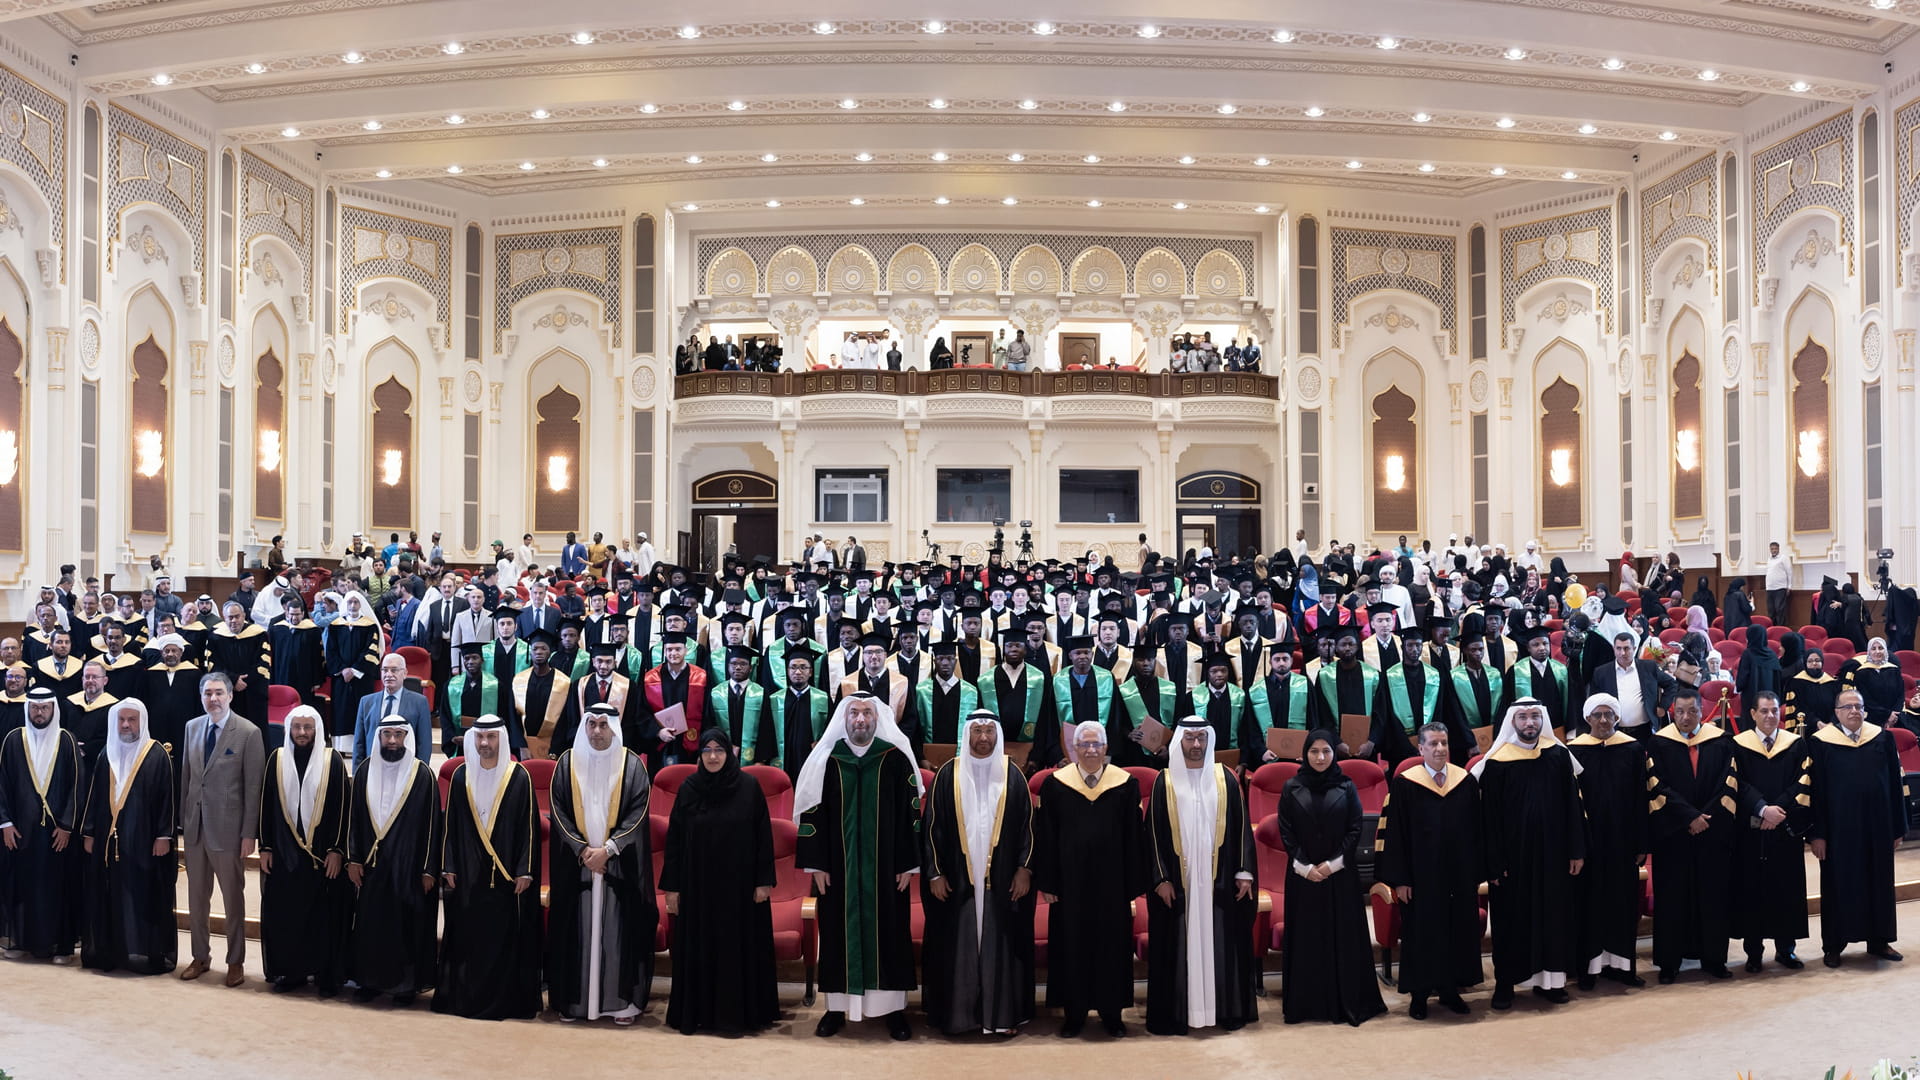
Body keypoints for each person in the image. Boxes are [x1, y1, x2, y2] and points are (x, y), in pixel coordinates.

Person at [796, 692, 922, 1039]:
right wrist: (815, 865)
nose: (861, 720)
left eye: (867, 713)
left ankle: (893, 1011)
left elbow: (911, 814)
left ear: (878, 718)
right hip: (837, 869)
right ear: (844, 719)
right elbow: (811, 813)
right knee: (837, 933)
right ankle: (837, 1009)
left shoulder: (895, 759)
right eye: (854, 713)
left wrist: (909, 863)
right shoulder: (827, 759)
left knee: (890, 934)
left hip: (887, 868)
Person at [921, 709, 1037, 1036]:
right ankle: (958, 1019)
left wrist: (1024, 869)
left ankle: (1000, 1018)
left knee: (999, 946)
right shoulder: (948, 774)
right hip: (958, 881)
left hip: (1001, 882)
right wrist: (935, 873)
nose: (983, 738)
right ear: (967, 735)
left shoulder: (1013, 775)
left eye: (989, 731)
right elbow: (932, 829)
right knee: (959, 948)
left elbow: (1029, 828)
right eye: (977, 731)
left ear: (997, 735)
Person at [1034, 721, 1148, 1037]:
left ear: (1106, 748)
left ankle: (1111, 1012)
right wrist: (1049, 882)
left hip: (1112, 884)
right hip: (1069, 884)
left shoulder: (1125, 784)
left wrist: (1132, 883)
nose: (1090, 750)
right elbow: (1046, 838)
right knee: (1071, 944)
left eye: (1096, 744)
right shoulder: (1056, 785)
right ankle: (1074, 1013)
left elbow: (1133, 839)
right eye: (1084, 744)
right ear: (1074, 749)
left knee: (1112, 945)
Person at [1145, 718, 1258, 1035]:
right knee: (1179, 944)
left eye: (1201, 739)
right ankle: (1180, 1014)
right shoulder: (1164, 781)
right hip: (1178, 883)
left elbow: (1241, 828)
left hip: (1219, 878)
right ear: (1179, 741)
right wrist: (1161, 878)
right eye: (1189, 739)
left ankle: (1223, 1010)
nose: (1195, 745)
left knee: (1222, 941)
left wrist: (1244, 871)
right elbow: (1152, 835)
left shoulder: (1225, 779)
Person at [662, 727, 779, 1035]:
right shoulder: (689, 788)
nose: (713, 756)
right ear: (699, 754)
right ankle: (699, 1014)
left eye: (719, 750)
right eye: (707, 750)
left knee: (736, 950)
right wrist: (671, 888)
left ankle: (737, 1016)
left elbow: (763, 839)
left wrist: (763, 882)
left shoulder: (749, 787)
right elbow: (673, 841)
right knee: (699, 949)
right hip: (697, 889)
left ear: (729, 754)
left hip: (740, 891)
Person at [548, 703, 655, 1024]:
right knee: (576, 933)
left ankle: (620, 1004)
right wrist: (583, 850)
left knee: (616, 933)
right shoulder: (567, 763)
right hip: (577, 865)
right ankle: (575, 1002)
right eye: (591, 724)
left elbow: (638, 811)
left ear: (614, 728)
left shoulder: (632, 765)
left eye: (603, 725)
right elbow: (558, 810)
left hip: (617, 866)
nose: (596, 731)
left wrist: (608, 849)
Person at [1475, 699, 1585, 1008]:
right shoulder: (1497, 763)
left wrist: (1576, 850)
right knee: (1512, 921)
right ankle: (1506, 984)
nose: (1529, 723)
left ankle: (1551, 983)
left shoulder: (1559, 757)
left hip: (1554, 855)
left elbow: (1574, 809)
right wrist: (1494, 863)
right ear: (1513, 722)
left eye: (1535, 716)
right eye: (1523, 717)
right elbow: (1489, 819)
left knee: (1554, 918)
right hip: (1513, 861)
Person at [434, 715, 542, 1019]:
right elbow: (450, 826)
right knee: (470, 936)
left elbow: (528, 828)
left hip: (505, 875)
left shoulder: (518, 777)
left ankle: (500, 1001)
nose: (484, 744)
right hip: (467, 873)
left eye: (491, 738)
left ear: (501, 740)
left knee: (501, 939)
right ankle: (466, 999)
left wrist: (525, 869)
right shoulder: (460, 776)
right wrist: (448, 864)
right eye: (480, 738)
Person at [1276, 729, 1386, 1026]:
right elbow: (1286, 832)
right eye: (1314, 751)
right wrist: (1305, 867)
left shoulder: (1347, 786)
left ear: (1334, 753)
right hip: (1303, 877)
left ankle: (1345, 1001)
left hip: (1340, 877)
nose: (1321, 757)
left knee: (1343, 937)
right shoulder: (1291, 787)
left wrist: (1332, 864)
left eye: (1326, 751)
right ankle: (1307, 1005)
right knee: (1307, 939)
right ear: (1305, 754)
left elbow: (1355, 829)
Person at [1375, 722, 1482, 1019]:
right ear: (1420, 748)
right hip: (1420, 878)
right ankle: (1419, 995)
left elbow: (1477, 832)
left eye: (1444, 743)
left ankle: (1450, 990)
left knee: (1456, 931)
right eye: (1433, 744)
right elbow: (1393, 835)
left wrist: (1475, 872)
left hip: (1458, 875)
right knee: (1422, 934)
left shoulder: (1465, 781)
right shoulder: (1405, 783)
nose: (1439, 749)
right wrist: (1400, 880)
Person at [1646, 687, 1754, 982]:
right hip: (1674, 834)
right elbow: (1656, 785)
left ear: (1700, 711)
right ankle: (1670, 963)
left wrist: (1706, 818)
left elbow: (1728, 782)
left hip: (1712, 832)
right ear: (1672, 711)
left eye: (1692, 711)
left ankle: (1714, 959)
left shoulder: (1720, 742)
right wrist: (1689, 817)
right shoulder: (1658, 743)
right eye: (1679, 712)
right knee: (1673, 898)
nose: (1685, 717)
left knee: (1713, 896)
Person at [346, 715, 441, 1005]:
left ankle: (404, 986)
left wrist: (428, 869)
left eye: (398, 735)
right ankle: (370, 981)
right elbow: (355, 820)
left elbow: (432, 827)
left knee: (405, 926)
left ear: (406, 738)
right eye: (387, 734)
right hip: (372, 867)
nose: (391, 741)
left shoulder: (421, 774)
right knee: (371, 925)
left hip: (408, 867)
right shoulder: (364, 771)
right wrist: (353, 859)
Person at [257, 705, 351, 996]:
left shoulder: (331, 760)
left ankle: (324, 975)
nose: (301, 733)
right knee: (286, 915)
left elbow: (342, 808)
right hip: (284, 854)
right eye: (296, 727)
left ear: (317, 730)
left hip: (323, 856)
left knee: (323, 917)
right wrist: (266, 847)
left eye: (307, 728)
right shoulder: (277, 758)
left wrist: (337, 849)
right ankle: (292, 971)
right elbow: (266, 806)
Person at [1808, 688, 1906, 967]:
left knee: (1879, 881)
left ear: (1865, 710)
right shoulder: (1820, 742)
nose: (1854, 711)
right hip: (1839, 830)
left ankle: (1879, 940)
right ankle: (1834, 945)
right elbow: (1816, 791)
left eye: (1858, 706)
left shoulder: (1882, 738)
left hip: (1878, 826)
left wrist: (1898, 826)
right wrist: (1818, 834)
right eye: (1847, 707)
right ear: (1836, 713)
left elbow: (1895, 785)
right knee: (1839, 884)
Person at [178, 672, 265, 987]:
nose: (212, 699)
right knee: (197, 900)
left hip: (229, 832)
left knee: (233, 900)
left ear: (230, 695)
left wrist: (248, 834)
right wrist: (184, 823)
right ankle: (200, 956)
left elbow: (253, 788)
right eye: (207, 693)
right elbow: (188, 779)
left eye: (218, 693)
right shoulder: (191, 727)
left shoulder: (247, 732)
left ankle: (235, 961)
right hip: (195, 829)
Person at [79, 698, 176, 974]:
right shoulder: (105, 754)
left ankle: (144, 953)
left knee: (140, 897)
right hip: (107, 841)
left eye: (132, 720)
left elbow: (167, 798)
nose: (126, 725)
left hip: (145, 841)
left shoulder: (156, 754)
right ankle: (111, 952)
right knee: (109, 896)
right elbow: (93, 797)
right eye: (121, 720)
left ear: (141, 721)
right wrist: (88, 832)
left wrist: (164, 836)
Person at [1565, 694, 1651, 989]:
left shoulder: (1632, 749)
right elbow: (1570, 805)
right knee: (1588, 905)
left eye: (1609, 715)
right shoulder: (1574, 751)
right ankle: (1588, 969)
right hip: (1589, 845)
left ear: (1617, 718)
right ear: (1587, 718)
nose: (1603, 720)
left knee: (1622, 905)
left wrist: (1641, 843)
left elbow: (1642, 798)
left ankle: (1622, 967)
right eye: (1597, 715)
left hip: (1623, 842)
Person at [1729, 691, 1810, 972]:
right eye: (1764, 711)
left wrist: (1778, 812)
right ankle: (1754, 953)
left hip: (1784, 829)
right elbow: (1736, 783)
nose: (1770, 716)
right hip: (1752, 829)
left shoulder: (1795, 745)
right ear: (1752, 714)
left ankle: (1785, 950)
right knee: (1753, 890)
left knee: (1785, 889)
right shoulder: (1738, 745)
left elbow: (1802, 782)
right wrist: (1763, 809)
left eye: (1774, 711)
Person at [0, 687, 82, 961]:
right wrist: (5, 822)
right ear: (28, 709)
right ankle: (21, 942)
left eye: (44, 707)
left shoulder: (66, 740)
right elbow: (2, 784)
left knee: (56, 887)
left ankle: (59, 946)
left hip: (57, 833)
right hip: (21, 830)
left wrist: (68, 825)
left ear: (53, 709)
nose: (39, 712)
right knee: (23, 885)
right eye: (34, 707)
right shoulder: (13, 740)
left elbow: (76, 786)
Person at [353, 653, 432, 768]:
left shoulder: (419, 702)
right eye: (385, 670)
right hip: (373, 770)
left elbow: (424, 744)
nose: (388, 674)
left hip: (406, 770)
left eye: (394, 670)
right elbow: (359, 744)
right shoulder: (366, 702)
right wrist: (358, 776)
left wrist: (420, 775)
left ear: (405, 673)